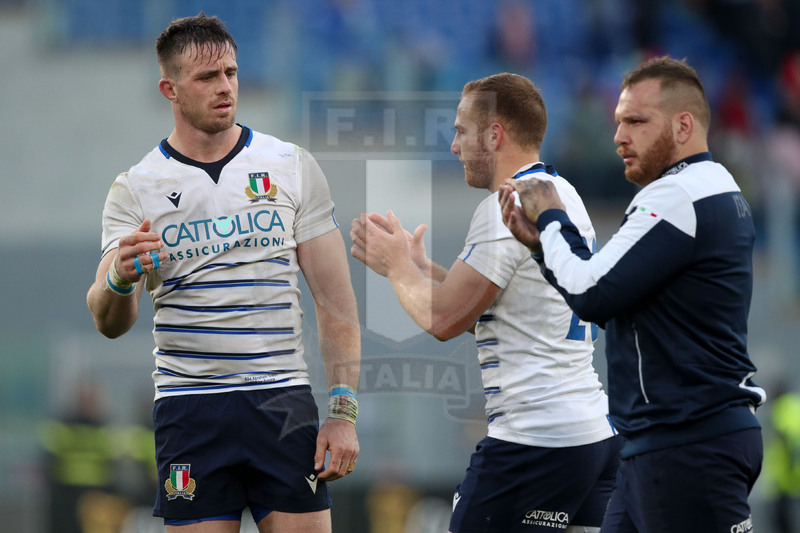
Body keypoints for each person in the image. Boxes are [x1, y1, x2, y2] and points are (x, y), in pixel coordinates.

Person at [86, 13, 361, 533]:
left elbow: (336, 302)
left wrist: (343, 413)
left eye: (231, 73)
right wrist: (120, 279)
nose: (225, 87)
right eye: (207, 78)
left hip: (283, 400)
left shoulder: (290, 164)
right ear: (170, 88)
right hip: (190, 409)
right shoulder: (136, 188)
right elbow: (108, 319)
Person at [499, 56, 766, 533]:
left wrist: (552, 218)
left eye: (636, 121)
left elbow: (592, 293)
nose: (619, 136)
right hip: (671, 443)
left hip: (686, 445)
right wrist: (546, 248)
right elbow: (612, 297)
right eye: (618, 121)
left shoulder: (677, 195)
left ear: (684, 125)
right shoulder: (715, 186)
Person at [350, 73, 620, 533]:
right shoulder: (562, 195)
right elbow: (517, 314)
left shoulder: (504, 205)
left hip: (534, 442)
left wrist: (397, 267)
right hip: (592, 438)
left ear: (494, 134)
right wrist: (422, 270)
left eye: (460, 131)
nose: (454, 147)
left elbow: (443, 319)